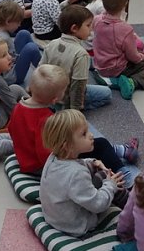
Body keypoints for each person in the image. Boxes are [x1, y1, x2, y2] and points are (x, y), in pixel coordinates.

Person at [8, 64, 137, 176]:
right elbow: (46, 156)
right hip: (43, 168)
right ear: (55, 100)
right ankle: (125, 176)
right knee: (100, 144)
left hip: (25, 160)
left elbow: (11, 130)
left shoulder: (19, 106)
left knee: (88, 142)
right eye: (63, 92)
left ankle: (119, 150)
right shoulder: (45, 119)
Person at [39, 109, 127, 236]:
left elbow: (74, 165)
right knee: (107, 180)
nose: (91, 135)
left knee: (103, 176)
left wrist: (92, 162)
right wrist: (110, 185)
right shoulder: (76, 174)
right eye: (84, 134)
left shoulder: (54, 156)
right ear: (67, 145)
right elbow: (98, 205)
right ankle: (134, 207)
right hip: (76, 225)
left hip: (54, 217)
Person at [41, 5, 112, 111]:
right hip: (66, 98)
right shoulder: (81, 54)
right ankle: (64, 110)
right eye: (88, 25)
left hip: (50, 95)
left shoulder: (51, 44)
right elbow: (78, 87)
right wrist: (75, 112)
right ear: (74, 28)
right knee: (107, 93)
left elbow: (40, 70)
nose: (91, 28)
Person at [0, 1, 41, 87]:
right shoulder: (3, 39)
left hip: (10, 61)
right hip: (11, 75)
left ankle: (42, 62)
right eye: (18, 22)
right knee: (31, 48)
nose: (19, 25)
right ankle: (44, 69)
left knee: (23, 33)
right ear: (8, 21)